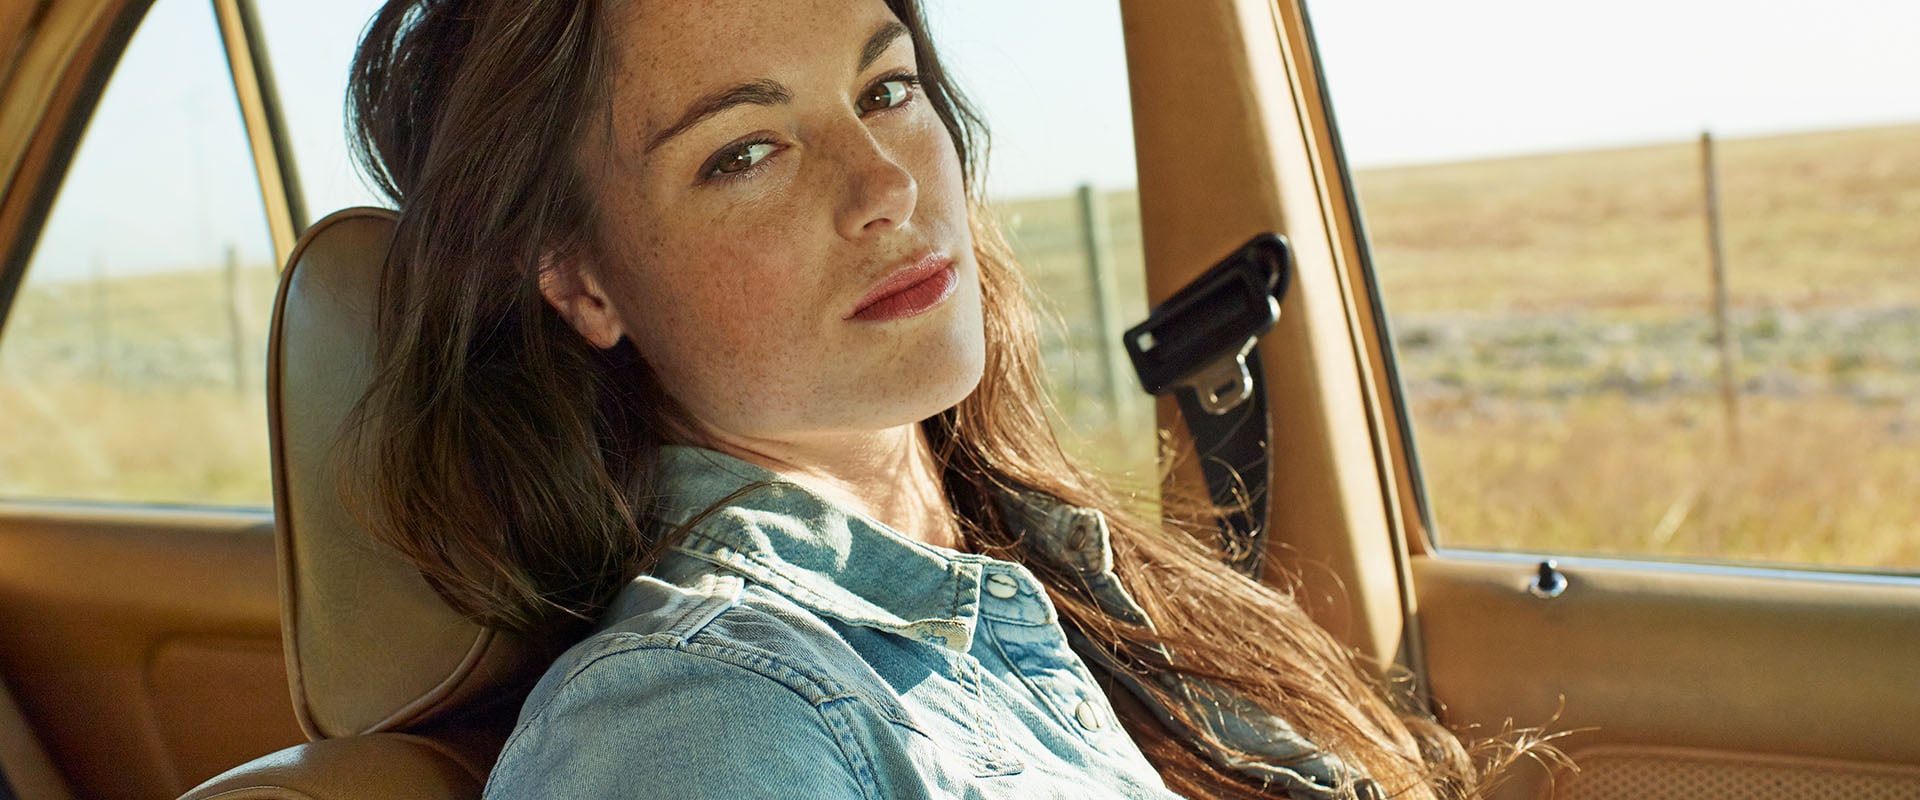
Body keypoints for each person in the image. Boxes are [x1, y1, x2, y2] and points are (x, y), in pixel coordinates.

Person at [342, 0, 1538, 797]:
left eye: (886, 88)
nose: (883, 184)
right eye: (746, 150)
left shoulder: (1040, 570)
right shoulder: (697, 723)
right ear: (581, 279)